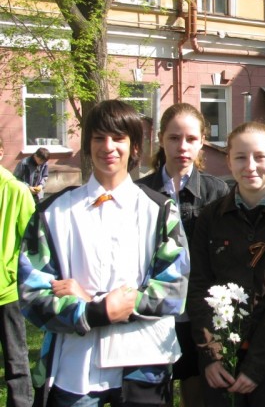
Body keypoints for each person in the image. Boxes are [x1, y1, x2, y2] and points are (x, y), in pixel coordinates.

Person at [18, 99, 190, 407]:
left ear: (134, 147)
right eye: (99, 137)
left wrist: (96, 301)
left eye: (118, 138)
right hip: (74, 367)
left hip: (143, 366)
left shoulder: (161, 211)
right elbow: (33, 293)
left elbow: (173, 291)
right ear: (88, 144)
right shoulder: (52, 212)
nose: (108, 146)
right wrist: (92, 313)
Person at [187, 121, 265, 407]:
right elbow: (198, 288)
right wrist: (211, 354)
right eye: (241, 157)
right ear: (229, 161)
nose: (250, 166)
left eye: (260, 156)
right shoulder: (211, 218)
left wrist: (256, 367)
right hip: (220, 361)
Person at [136, 103, 229, 407]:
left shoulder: (218, 192)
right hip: (153, 312)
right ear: (160, 139)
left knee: (196, 388)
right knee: (153, 391)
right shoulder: (139, 192)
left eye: (191, 138)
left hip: (199, 312)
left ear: (202, 141)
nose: (182, 147)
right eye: (174, 138)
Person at [0, 137, 36, 407]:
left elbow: (33, 242)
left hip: (7, 291)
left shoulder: (16, 190)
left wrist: (17, 276)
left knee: (16, 360)